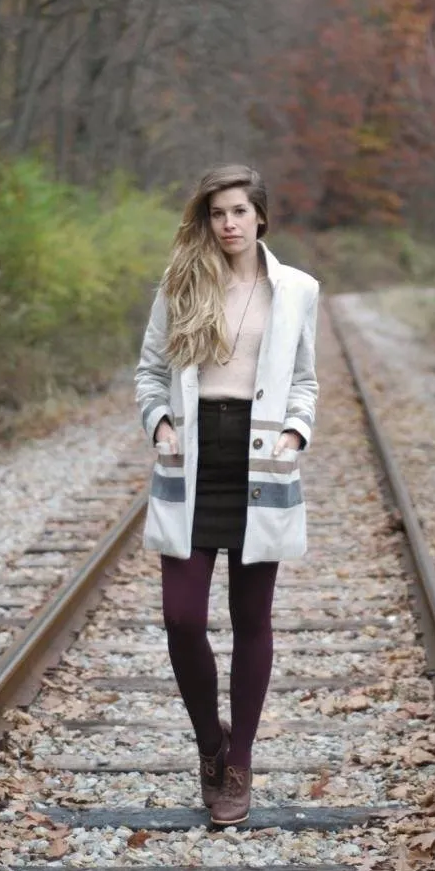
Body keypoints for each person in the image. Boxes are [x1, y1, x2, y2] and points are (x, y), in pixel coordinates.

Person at [135, 164, 319, 825]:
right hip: (192, 457)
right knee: (181, 617)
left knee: (251, 620)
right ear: (206, 219)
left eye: (239, 211)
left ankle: (237, 764)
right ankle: (208, 744)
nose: (229, 223)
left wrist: (295, 437)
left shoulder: (297, 289)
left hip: (261, 458)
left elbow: (305, 381)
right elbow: (151, 372)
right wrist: (158, 423)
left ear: (260, 217)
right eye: (218, 213)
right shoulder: (181, 281)